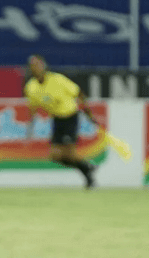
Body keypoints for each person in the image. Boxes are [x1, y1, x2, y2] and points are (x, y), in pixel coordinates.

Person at [23, 54, 100, 189]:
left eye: (38, 65)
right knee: (55, 156)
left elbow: (78, 93)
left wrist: (89, 114)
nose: (36, 68)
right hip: (57, 119)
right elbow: (33, 107)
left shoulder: (57, 80)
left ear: (44, 66)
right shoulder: (31, 88)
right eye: (33, 66)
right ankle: (87, 167)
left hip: (70, 116)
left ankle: (89, 176)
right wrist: (30, 126)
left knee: (68, 153)